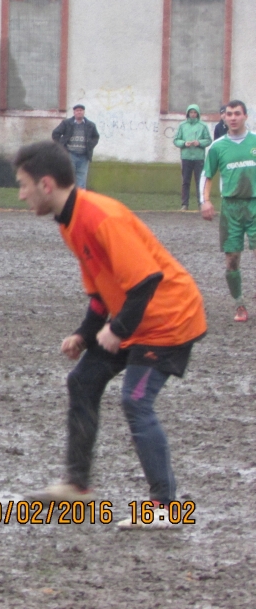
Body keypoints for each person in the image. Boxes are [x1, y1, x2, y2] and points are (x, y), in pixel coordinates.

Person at [16, 140, 207, 530]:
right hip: (135, 318)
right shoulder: (69, 222)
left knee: (136, 401)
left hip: (168, 319)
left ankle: (166, 508)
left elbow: (147, 281)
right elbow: (102, 295)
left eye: (23, 184)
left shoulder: (101, 216)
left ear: (46, 184)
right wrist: (84, 334)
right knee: (82, 380)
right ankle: (76, 487)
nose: (21, 194)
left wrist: (117, 331)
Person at [201, 100, 256, 322]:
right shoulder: (217, 146)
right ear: (224, 118)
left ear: (245, 116)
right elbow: (207, 175)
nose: (232, 117)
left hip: (255, 204)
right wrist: (205, 200)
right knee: (232, 259)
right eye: (229, 114)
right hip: (231, 208)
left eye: (237, 113)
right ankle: (239, 304)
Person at [172, 104, 211, 211]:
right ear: (188, 113)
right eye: (191, 112)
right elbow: (176, 140)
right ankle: (184, 204)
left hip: (199, 158)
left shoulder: (203, 126)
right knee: (185, 181)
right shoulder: (182, 126)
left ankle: (200, 204)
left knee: (199, 181)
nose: (193, 114)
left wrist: (199, 142)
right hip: (186, 157)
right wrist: (184, 143)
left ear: (197, 114)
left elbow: (208, 140)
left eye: (195, 112)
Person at [52, 104, 100, 189]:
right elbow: (55, 133)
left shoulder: (90, 125)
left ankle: (80, 199)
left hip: (84, 156)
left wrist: (90, 146)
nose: (79, 112)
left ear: (84, 112)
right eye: (77, 110)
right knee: (69, 177)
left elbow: (95, 137)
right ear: (74, 112)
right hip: (70, 154)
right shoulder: (66, 123)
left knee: (81, 179)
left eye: (81, 110)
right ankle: (69, 197)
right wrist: (61, 146)